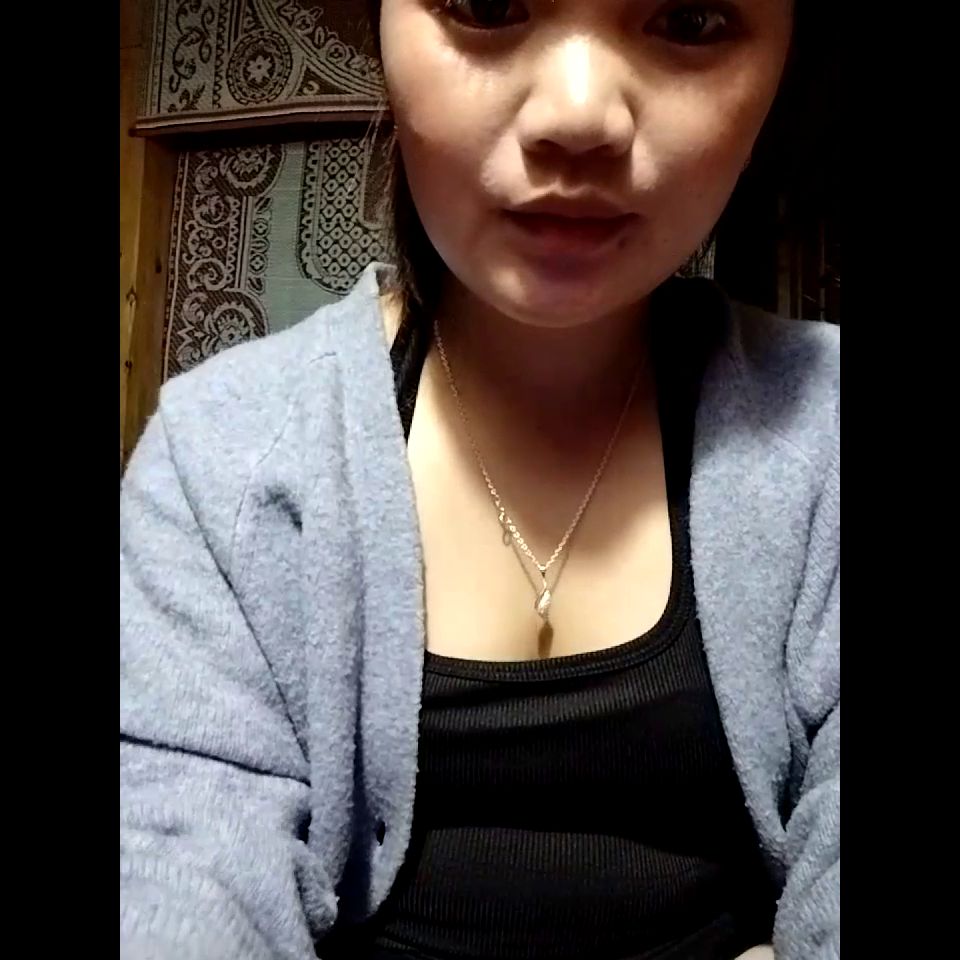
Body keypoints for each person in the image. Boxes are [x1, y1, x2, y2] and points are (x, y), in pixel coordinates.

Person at [120, 1, 839, 958]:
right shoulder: (221, 460)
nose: (579, 114)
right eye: (487, 3)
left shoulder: (826, 435)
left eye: (691, 19)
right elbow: (172, 871)